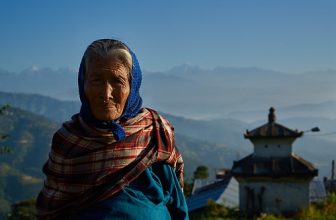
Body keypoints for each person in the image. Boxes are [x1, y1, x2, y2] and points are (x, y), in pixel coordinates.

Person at [36, 39, 189, 220]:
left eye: (117, 81)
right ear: (83, 84)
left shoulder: (155, 134)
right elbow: (51, 212)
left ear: (132, 86)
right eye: (96, 79)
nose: (106, 93)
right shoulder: (67, 142)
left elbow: (178, 209)